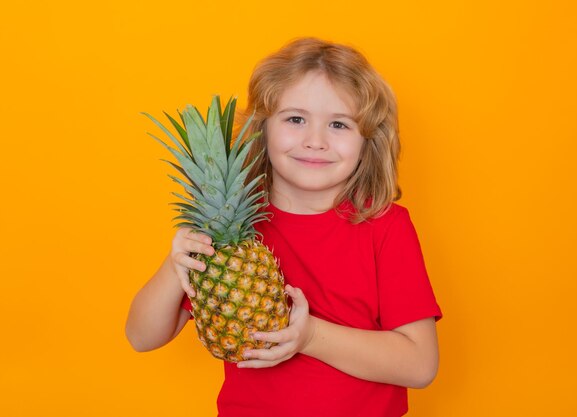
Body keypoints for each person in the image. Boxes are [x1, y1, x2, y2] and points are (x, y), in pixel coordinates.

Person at [126, 37, 442, 417]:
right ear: (263, 129)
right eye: (295, 119)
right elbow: (141, 337)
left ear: (367, 141)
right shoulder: (232, 234)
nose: (315, 141)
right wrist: (175, 263)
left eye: (339, 124)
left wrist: (309, 337)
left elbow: (420, 364)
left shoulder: (386, 226)